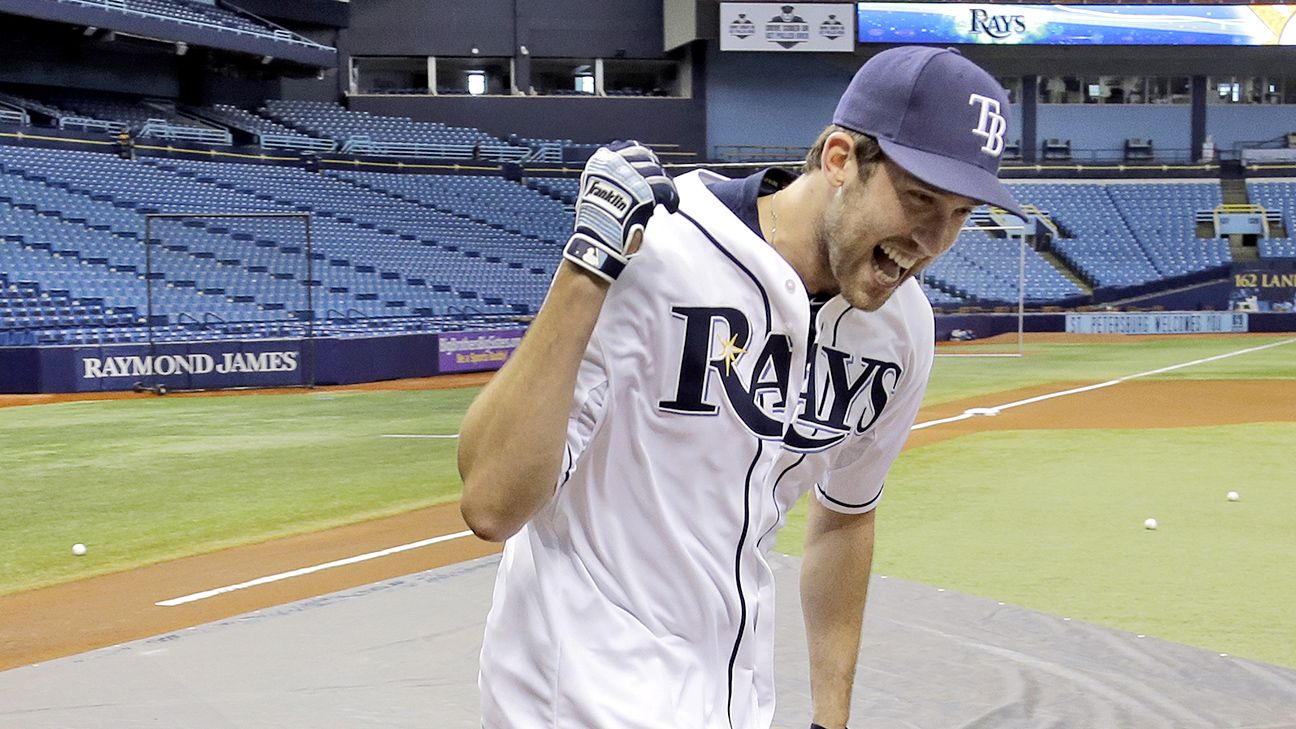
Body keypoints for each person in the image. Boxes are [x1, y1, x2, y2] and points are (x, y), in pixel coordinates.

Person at [458, 46, 1026, 729]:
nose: (933, 239)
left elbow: (846, 515)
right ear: (841, 159)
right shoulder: (658, 251)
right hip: (575, 696)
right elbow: (491, 502)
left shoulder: (901, 329)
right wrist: (587, 265)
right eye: (919, 199)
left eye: (960, 213)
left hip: (732, 699)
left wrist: (830, 718)